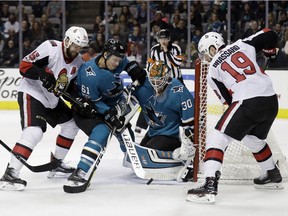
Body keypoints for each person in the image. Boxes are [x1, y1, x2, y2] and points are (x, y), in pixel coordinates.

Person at [187, 30, 283, 204]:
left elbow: (229, 101)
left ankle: (209, 185)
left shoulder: (212, 72)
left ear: (211, 49)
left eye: (204, 54)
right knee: (253, 139)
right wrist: (270, 50)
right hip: (270, 100)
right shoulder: (242, 44)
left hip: (247, 101)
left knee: (217, 137)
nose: (206, 58)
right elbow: (270, 34)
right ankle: (272, 174)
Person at [0, 26, 89, 190]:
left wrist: (79, 100)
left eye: (80, 47)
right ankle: (10, 175)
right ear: (67, 41)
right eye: (75, 45)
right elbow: (24, 66)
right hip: (32, 93)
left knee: (71, 125)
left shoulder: (79, 62)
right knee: (34, 131)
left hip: (52, 99)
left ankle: (56, 164)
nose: (77, 50)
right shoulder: (51, 48)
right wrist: (41, 74)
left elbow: (68, 87)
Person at [63, 38, 146, 189]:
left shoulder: (116, 59)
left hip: (113, 104)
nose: (117, 63)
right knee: (102, 132)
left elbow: (126, 63)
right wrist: (109, 114)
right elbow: (93, 101)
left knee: (125, 132)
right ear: (106, 54)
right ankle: (80, 171)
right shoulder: (89, 74)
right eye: (115, 60)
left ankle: (133, 160)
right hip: (88, 109)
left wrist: (133, 67)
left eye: (119, 60)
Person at [130, 60, 195, 181]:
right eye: (152, 79)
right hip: (152, 133)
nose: (155, 83)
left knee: (147, 153)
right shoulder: (144, 87)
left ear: (166, 78)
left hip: (170, 135)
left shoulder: (178, 89)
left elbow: (190, 120)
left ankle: (178, 153)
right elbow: (128, 101)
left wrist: (189, 143)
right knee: (139, 155)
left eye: (159, 80)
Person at [135, 28, 183, 134]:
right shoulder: (154, 50)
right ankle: (140, 125)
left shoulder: (175, 48)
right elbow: (149, 64)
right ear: (158, 39)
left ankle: (182, 125)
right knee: (150, 100)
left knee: (179, 102)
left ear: (169, 39)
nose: (163, 41)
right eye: (161, 39)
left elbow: (177, 62)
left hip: (175, 80)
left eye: (165, 38)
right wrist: (152, 76)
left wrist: (166, 51)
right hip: (160, 81)